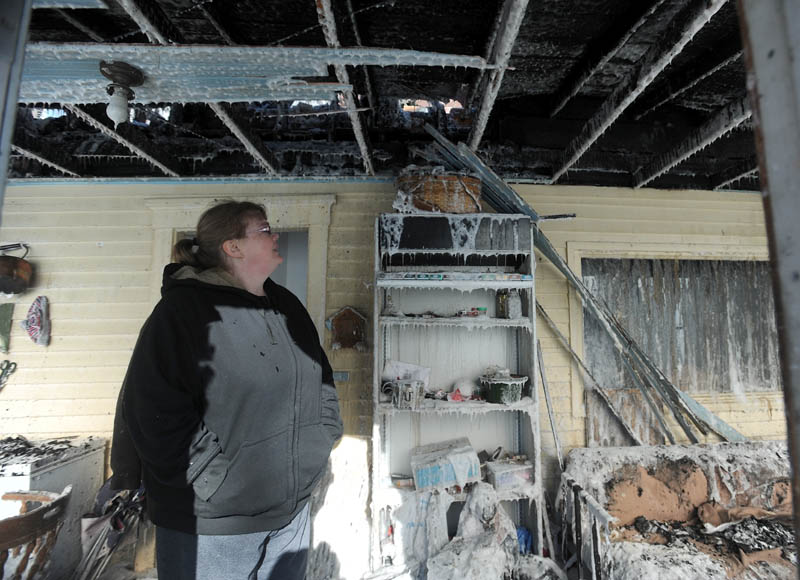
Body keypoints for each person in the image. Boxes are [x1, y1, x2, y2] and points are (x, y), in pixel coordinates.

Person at [110, 200, 343, 579]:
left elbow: (321, 379)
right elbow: (152, 413)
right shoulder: (181, 313)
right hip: (213, 523)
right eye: (264, 229)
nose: (276, 235)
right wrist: (215, 480)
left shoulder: (287, 306)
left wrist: (323, 436)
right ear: (232, 247)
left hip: (290, 515)